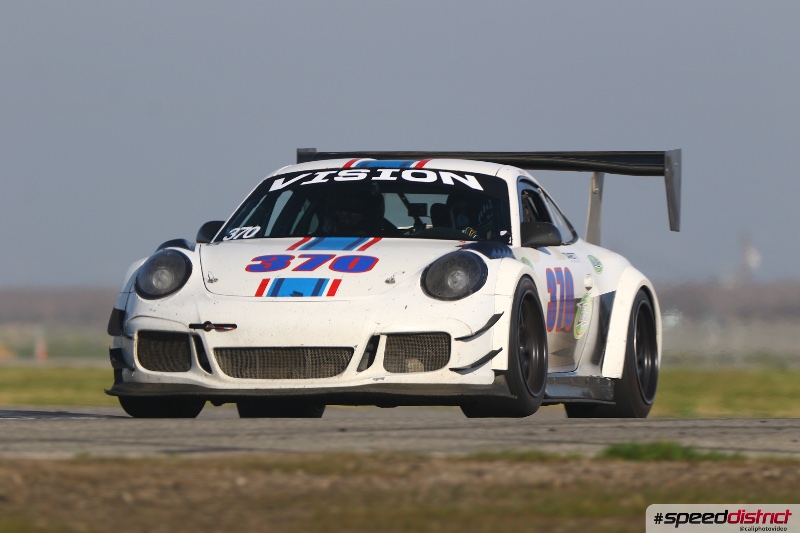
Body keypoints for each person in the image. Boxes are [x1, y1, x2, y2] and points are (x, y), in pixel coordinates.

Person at [320, 190, 385, 236]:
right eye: (342, 217)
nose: (347, 222)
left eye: (354, 218)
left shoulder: (387, 237)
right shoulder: (319, 238)